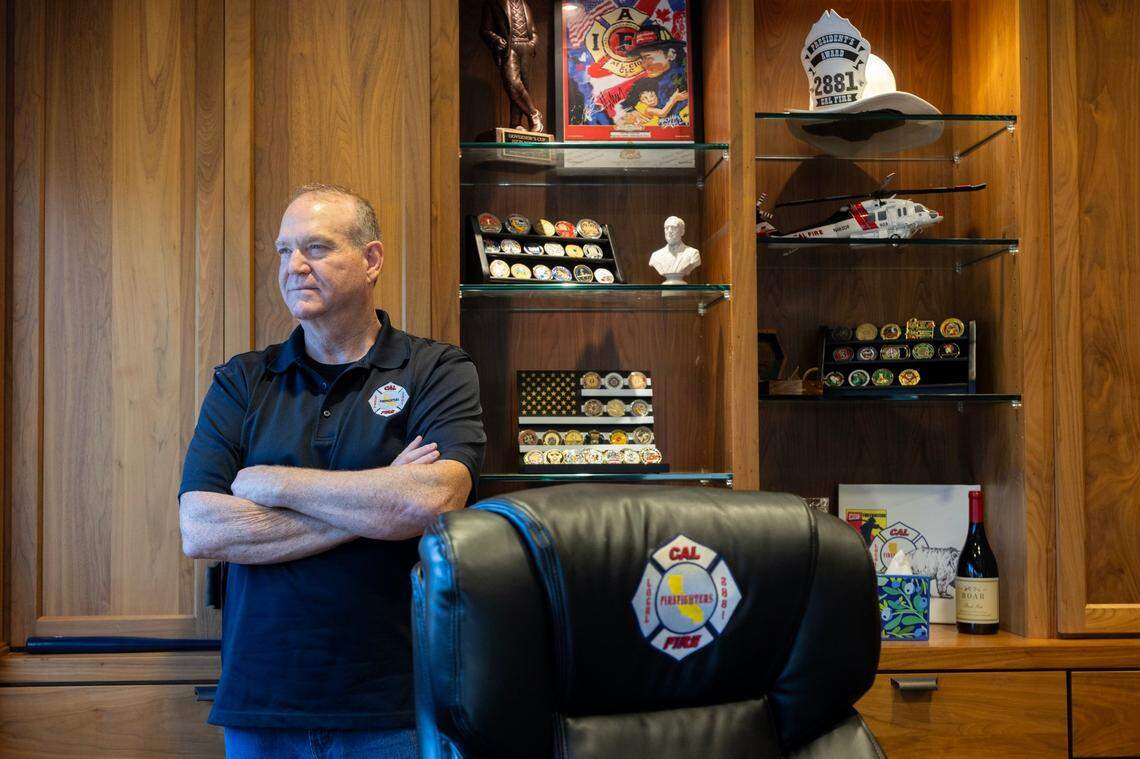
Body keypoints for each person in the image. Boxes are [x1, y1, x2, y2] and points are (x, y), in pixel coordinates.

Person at [179, 184, 485, 758]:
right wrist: (381, 500)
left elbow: (433, 502)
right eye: (283, 251)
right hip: (262, 706)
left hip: (397, 704)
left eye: (316, 248)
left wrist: (275, 483)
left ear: (371, 260)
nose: (294, 267)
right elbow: (201, 528)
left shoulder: (437, 370)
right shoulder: (242, 381)